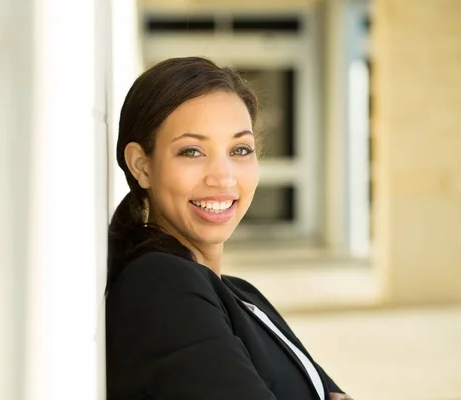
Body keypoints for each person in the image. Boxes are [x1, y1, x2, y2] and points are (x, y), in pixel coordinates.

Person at [105, 57, 354, 400]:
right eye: (192, 151)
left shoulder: (241, 293)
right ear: (141, 165)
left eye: (240, 149)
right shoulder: (161, 286)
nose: (223, 177)